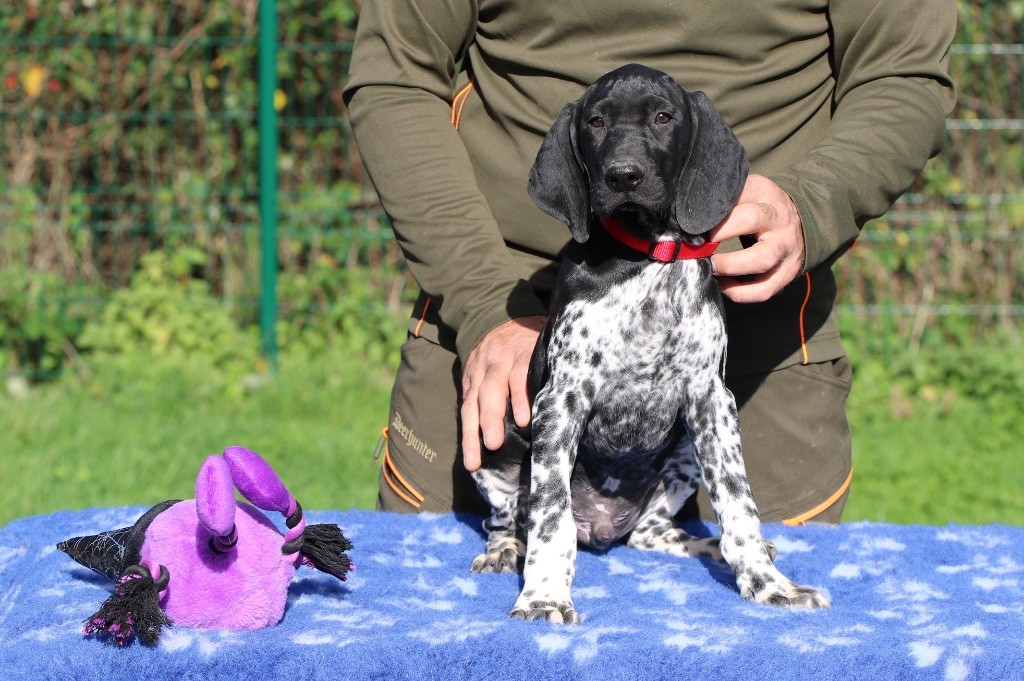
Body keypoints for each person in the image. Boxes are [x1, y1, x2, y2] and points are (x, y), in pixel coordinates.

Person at [342, 0, 957, 523]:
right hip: (506, 341)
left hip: (752, 352)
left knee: (757, 653)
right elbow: (396, 75)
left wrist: (816, 202)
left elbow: (901, 73)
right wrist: (482, 299)